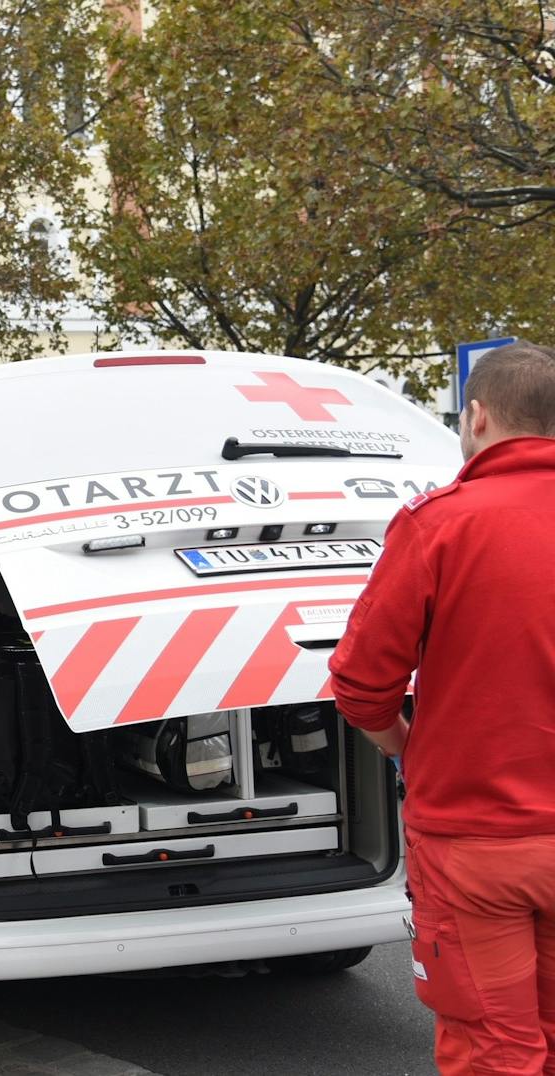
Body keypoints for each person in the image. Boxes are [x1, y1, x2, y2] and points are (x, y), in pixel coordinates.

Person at [330, 341, 555, 1075]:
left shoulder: (441, 525)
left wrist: (402, 743)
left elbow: (361, 683)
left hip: (475, 840)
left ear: (479, 416)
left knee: (495, 1050)